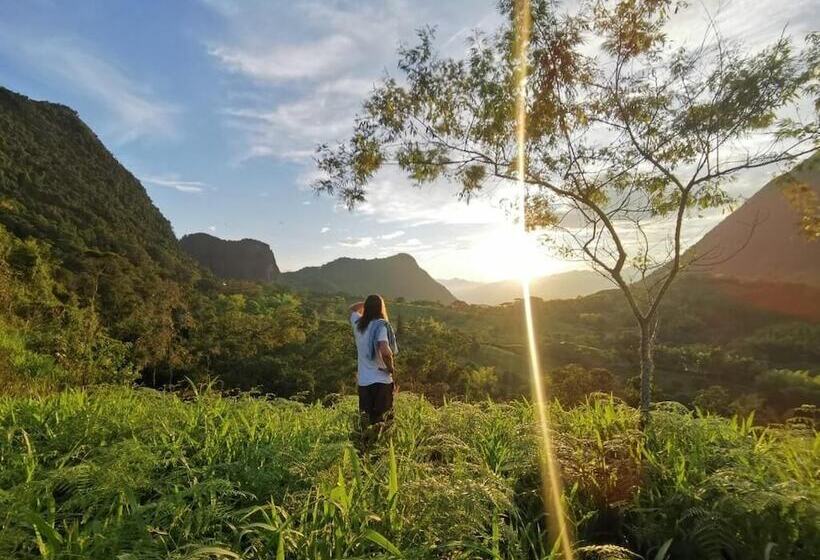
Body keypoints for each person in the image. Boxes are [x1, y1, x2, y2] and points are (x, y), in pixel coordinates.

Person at [349, 295, 397, 431]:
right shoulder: (380, 326)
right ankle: (382, 451)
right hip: (381, 381)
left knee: (366, 424)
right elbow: (385, 351)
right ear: (380, 308)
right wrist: (391, 368)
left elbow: (352, 308)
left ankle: (366, 451)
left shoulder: (358, 324)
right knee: (383, 424)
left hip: (364, 382)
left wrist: (368, 303)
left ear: (367, 307)